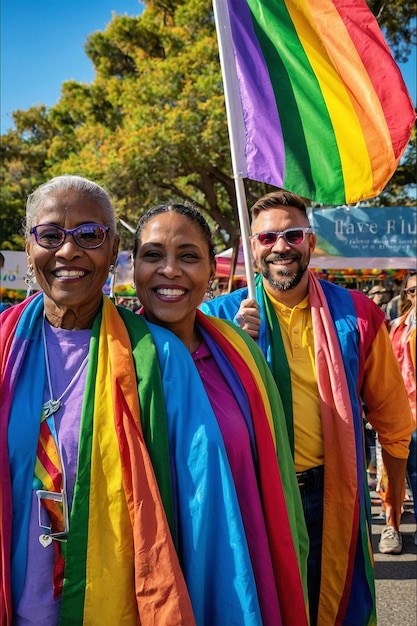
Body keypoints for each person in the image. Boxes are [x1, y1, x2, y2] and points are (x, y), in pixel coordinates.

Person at [201, 190, 414, 626]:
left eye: (293, 235)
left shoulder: (358, 314)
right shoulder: (214, 317)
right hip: (247, 493)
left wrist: (393, 501)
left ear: (311, 243)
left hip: (326, 493)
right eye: (268, 237)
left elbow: (391, 418)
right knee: (253, 605)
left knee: (325, 603)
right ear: (253, 248)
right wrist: (233, 343)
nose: (281, 246)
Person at [0, 175, 195, 625]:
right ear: (29, 251)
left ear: (113, 251)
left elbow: (197, 507)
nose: (68, 251)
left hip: (113, 607)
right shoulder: (5, 349)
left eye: (89, 235)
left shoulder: (157, 358)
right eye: (49, 235)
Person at [133, 202, 310, 626]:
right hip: (143, 579)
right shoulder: (109, 361)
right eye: (153, 255)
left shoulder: (241, 358)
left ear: (212, 270)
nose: (170, 270)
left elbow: (269, 484)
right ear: (132, 265)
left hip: (235, 574)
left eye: (189, 256)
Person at [390, 272, 416, 544]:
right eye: (412, 290)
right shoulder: (396, 326)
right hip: (398, 413)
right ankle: (391, 526)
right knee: (394, 475)